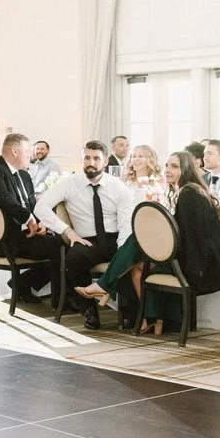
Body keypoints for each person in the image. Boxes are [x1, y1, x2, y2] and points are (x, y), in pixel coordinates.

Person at [76, 147, 184, 325]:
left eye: (141, 156)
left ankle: (106, 288)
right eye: (134, 156)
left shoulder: (160, 182)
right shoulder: (123, 181)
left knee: (131, 249)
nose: (136, 159)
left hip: (154, 234)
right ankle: (137, 315)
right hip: (127, 227)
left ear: (150, 159)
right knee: (130, 253)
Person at [141, 151, 220, 335]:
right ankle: (159, 320)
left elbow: (193, 239)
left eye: (174, 166)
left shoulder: (189, 194)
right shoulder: (185, 191)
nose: (168, 170)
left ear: (187, 170)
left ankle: (152, 319)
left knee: (139, 261)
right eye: (167, 165)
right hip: (193, 257)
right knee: (139, 255)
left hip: (203, 265)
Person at [47, 141, 135, 329]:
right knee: (74, 258)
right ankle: (89, 310)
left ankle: (130, 311)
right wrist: (67, 231)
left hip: (114, 238)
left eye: (96, 158)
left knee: (130, 254)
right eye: (87, 158)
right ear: (82, 159)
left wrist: (121, 252)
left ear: (105, 161)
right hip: (87, 240)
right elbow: (41, 207)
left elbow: (125, 223)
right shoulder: (69, 184)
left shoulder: (118, 187)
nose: (91, 163)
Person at [0, 133, 70, 305]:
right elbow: (3, 197)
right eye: (27, 151)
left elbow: (33, 206)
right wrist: (28, 218)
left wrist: (41, 222)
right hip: (4, 238)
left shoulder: (24, 175)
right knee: (60, 247)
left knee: (65, 242)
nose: (31, 155)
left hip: (25, 235)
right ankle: (60, 300)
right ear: (15, 151)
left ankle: (24, 282)